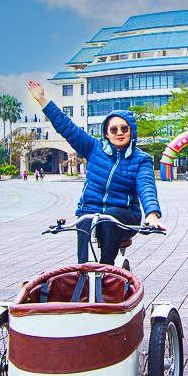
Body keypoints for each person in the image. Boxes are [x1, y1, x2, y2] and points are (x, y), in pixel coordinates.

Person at [28, 81, 165, 265]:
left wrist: (152, 214)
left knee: (111, 215)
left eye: (125, 128)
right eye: (114, 129)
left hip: (123, 217)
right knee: (86, 225)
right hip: (90, 215)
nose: (119, 133)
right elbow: (66, 126)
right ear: (106, 133)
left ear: (132, 132)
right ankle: (85, 277)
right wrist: (42, 99)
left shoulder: (142, 159)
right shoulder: (93, 147)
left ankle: (107, 272)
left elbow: (146, 186)